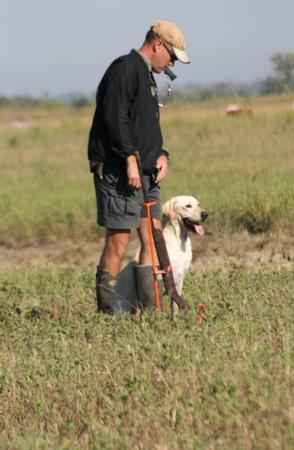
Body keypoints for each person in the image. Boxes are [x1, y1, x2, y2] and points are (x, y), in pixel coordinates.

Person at [88, 20, 190, 313]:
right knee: (118, 241)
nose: (171, 63)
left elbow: (144, 128)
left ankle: (150, 314)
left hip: (147, 173)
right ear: (158, 44)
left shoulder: (148, 76)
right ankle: (106, 317)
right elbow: (114, 119)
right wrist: (130, 159)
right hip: (119, 171)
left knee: (153, 239)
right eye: (171, 55)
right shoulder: (124, 68)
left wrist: (162, 155)